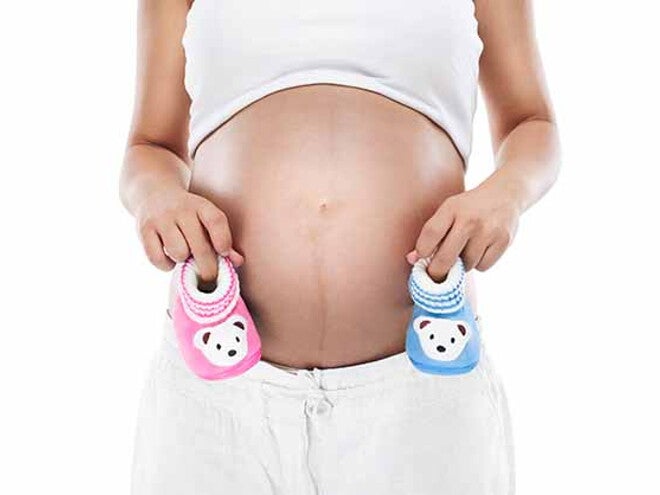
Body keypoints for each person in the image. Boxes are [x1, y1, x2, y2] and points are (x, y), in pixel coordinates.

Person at [119, 0, 560, 493]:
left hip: (423, 394)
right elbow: (151, 146)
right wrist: (156, 197)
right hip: (218, 402)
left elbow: (531, 122)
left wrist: (507, 194)